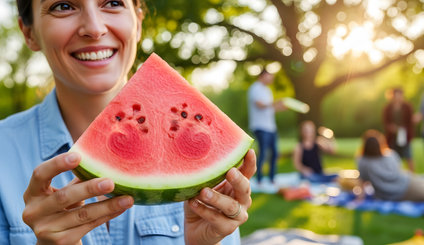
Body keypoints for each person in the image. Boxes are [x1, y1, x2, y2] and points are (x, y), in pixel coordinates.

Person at [0, 0, 256, 244]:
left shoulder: (204, 158)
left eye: (113, 3)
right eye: (63, 6)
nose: (94, 28)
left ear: (138, 21)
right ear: (29, 33)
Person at [357, 130, 424, 216]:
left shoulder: (362, 161)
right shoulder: (390, 156)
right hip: (406, 186)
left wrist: (360, 198)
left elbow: (362, 180)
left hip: (399, 189)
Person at [247, 69, 285, 187]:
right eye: (270, 76)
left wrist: (280, 108)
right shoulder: (255, 88)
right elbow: (259, 104)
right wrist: (274, 103)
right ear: (263, 76)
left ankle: (272, 178)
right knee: (263, 153)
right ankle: (259, 179)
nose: (271, 79)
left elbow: (270, 109)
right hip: (260, 126)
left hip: (271, 127)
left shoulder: (268, 90)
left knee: (274, 153)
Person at [382, 88, 415, 172]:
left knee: (408, 156)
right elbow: (385, 121)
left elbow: (410, 121)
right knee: (393, 156)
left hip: (404, 134)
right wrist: (390, 127)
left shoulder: (407, 107)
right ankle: (395, 173)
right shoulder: (388, 108)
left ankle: (412, 176)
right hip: (392, 136)